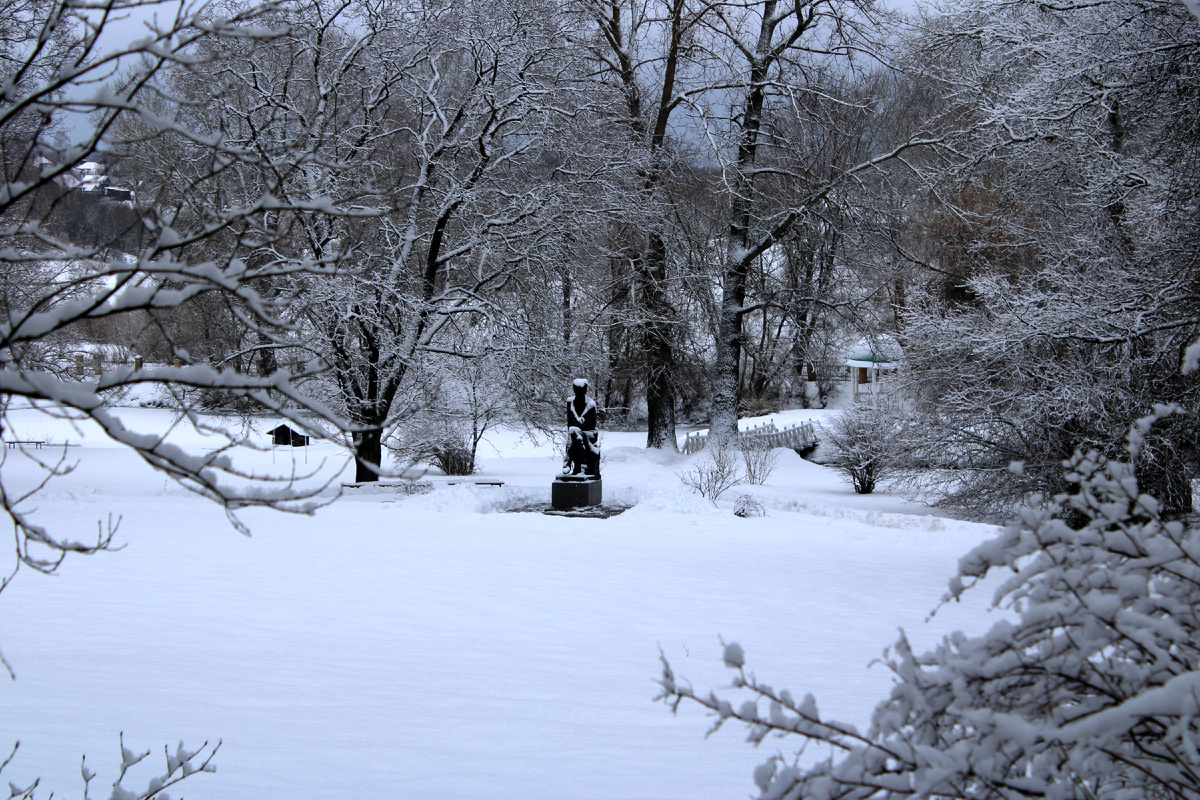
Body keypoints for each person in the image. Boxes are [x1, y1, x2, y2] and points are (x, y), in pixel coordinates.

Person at [564, 378, 600, 477]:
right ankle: (581, 466)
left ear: (585, 390)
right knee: (574, 433)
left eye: (580, 390)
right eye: (576, 390)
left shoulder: (591, 405)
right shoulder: (571, 401)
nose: (578, 393)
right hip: (576, 435)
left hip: (589, 434)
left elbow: (579, 423)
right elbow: (570, 425)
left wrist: (571, 409)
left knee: (575, 432)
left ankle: (568, 461)